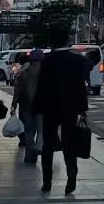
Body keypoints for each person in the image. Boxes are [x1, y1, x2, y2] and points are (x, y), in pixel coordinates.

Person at [34, 41, 89, 195]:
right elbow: (80, 85)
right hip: (70, 108)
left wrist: (37, 107)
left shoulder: (47, 60)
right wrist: (83, 109)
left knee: (48, 145)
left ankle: (47, 182)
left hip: (50, 108)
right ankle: (72, 174)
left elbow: (41, 85)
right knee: (69, 143)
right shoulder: (77, 60)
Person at [13, 48, 45, 165]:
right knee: (41, 130)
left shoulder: (23, 73)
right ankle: (38, 148)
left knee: (29, 131)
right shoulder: (46, 73)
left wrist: (14, 105)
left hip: (26, 106)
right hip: (42, 106)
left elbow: (17, 90)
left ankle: (29, 156)